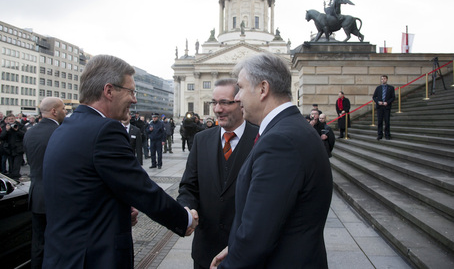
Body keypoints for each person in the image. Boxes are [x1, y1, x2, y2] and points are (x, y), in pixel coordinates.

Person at [42, 55, 198, 268]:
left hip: (63, 255)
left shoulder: (64, 129)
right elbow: (141, 189)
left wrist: (119, 210)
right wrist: (184, 219)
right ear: (109, 91)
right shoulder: (105, 130)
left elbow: (81, 193)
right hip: (94, 258)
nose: (134, 99)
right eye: (131, 91)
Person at [211, 53, 333, 268]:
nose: (237, 97)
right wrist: (235, 247)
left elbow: (258, 233)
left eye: (240, 87)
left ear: (263, 89)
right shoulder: (291, 128)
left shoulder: (280, 140)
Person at [177, 78, 258, 269]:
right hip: (205, 250)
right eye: (214, 102)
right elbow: (189, 185)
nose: (217, 109)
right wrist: (188, 207)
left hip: (245, 251)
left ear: (241, 102)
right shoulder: (201, 139)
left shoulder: (261, 139)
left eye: (225, 102)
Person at [23, 97, 66, 269]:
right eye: (63, 108)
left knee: (38, 243)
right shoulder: (60, 133)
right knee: (58, 244)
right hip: (57, 197)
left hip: (36, 197)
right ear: (54, 111)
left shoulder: (30, 132)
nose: (65, 112)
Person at [0, 114, 26, 180]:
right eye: (9, 119)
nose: (11, 120)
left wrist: (17, 130)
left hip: (18, 149)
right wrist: (6, 130)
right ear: (7, 120)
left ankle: (16, 177)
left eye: (12, 119)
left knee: (16, 166)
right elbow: (2, 137)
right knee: (11, 166)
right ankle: (12, 178)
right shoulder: (6, 127)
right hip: (9, 149)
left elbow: (24, 135)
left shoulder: (20, 126)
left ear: (14, 118)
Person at [373, 75, 395, 140]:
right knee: (379, 121)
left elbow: (393, 97)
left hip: (387, 107)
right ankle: (380, 134)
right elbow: (374, 97)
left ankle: (387, 134)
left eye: (384, 79)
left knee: (387, 121)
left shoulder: (391, 88)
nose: (383, 80)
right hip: (380, 107)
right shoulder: (378, 88)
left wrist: (387, 102)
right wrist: (378, 102)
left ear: (387, 79)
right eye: (382, 79)